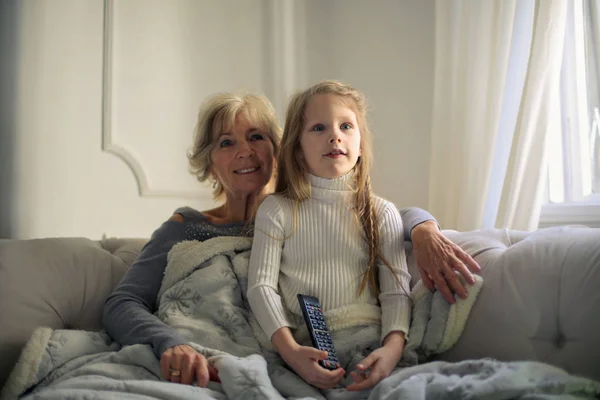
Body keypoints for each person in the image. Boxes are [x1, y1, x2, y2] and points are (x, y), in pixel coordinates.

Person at [102, 91, 480, 388]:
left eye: (256, 137)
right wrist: (170, 343)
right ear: (209, 160)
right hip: (209, 357)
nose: (245, 151)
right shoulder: (185, 226)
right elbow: (123, 302)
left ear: (279, 149)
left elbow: (380, 215)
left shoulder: (301, 212)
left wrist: (424, 229)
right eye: (226, 142)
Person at [248, 80, 411, 391]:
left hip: (369, 343)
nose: (335, 135)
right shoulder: (277, 209)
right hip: (305, 350)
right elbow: (261, 286)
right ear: (297, 149)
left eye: (346, 126)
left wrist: (391, 351)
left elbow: (396, 293)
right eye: (318, 128)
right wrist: (292, 353)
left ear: (361, 145)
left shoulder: (381, 213)